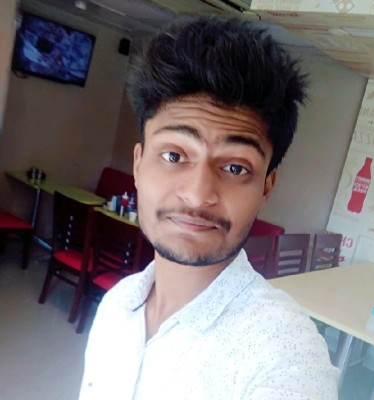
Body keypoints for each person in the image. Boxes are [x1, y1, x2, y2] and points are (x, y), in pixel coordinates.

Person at [79, 16, 338, 400]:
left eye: (235, 168)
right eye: (174, 155)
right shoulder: (118, 303)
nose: (198, 195)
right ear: (138, 164)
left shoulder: (283, 353)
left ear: (266, 189)